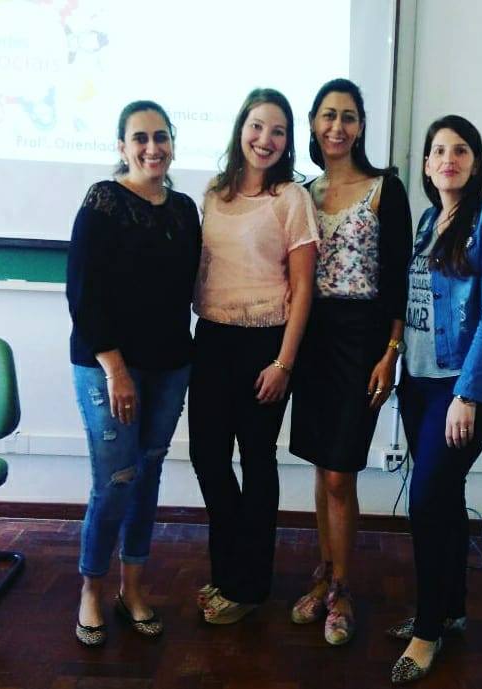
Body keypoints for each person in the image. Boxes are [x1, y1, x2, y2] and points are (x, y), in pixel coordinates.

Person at [387, 115, 482, 683]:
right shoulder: (426, 221)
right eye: (439, 150)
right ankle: (453, 608)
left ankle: (427, 629)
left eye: (461, 149)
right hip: (419, 383)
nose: (449, 159)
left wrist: (468, 392)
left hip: (463, 387)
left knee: (426, 501)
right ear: (425, 164)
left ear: (476, 161)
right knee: (442, 496)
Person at [66, 100, 201, 646]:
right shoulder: (103, 200)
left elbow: (193, 287)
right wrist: (117, 369)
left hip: (171, 366)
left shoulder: (186, 207)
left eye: (161, 137)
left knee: (146, 476)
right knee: (116, 481)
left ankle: (133, 587)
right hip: (106, 367)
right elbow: (82, 291)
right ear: (121, 146)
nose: (152, 147)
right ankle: (91, 591)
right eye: (140, 138)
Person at [288, 78, 412, 645]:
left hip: (362, 340)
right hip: (312, 337)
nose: (337, 127)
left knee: (342, 470)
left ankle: (344, 589)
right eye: (328, 116)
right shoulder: (302, 194)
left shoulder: (386, 188)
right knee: (321, 466)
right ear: (313, 124)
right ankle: (323, 575)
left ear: (361, 126)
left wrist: (391, 351)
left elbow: (398, 279)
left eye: (349, 117)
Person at [189, 88, 319, 624]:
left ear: (288, 142)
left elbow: (304, 288)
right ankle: (227, 572)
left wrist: (284, 363)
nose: (265, 140)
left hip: (266, 345)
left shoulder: (291, 198)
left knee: (257, 461)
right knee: (207, 458)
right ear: (240, 128)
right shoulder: (213, 194)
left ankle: (248, 587)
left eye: (278, 131)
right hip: (212, 339)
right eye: (257, 126)